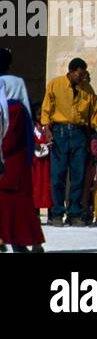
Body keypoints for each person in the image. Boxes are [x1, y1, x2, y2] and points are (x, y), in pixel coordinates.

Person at [40, 57, 97, 226]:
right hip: (60, 132)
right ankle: (57, 212)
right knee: (58, 174)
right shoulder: (55, 84)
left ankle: (75, 213)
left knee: (78, 175)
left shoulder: (87, 89)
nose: (82, 77)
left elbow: (94, 113)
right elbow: (46, 109)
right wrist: (47, 129)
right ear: (72, 72)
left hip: (79, 133)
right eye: (80, 74)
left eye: (84, 74)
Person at [1, 54, 45, 250]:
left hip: (8, 158)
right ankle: (28, 242)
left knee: (10, 202)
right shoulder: (20, 107)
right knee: (22, 203)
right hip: (19, 158)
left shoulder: (12, 112)